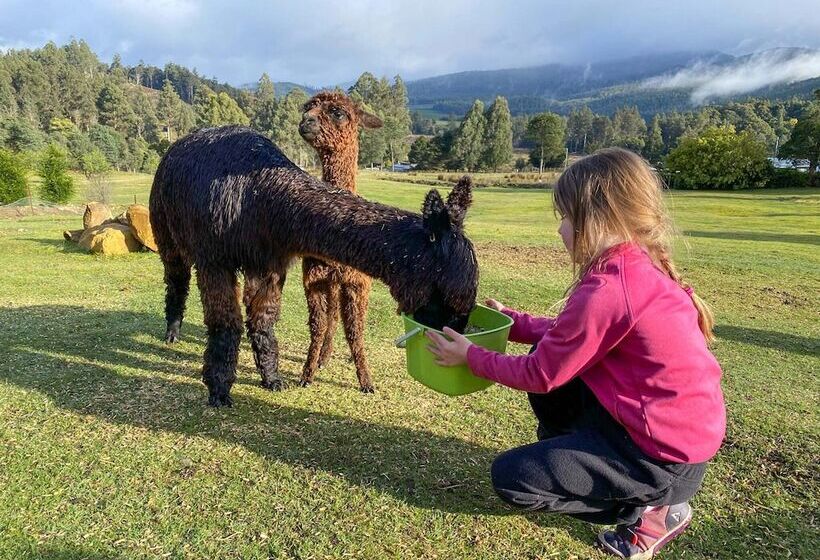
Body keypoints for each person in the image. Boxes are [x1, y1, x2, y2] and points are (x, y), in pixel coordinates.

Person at [426, 148, 726, 559]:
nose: (561, 230)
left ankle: (650, 510)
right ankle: (586, 463)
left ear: (597, 218)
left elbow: (541, 373)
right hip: (666, 441)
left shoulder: (610, 287)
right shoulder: (635, 267)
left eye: (564, 218)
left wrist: (470, 356)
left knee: (512, 479)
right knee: (546, 356)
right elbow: (572, 337)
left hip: (659, 459)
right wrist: (511, 321)